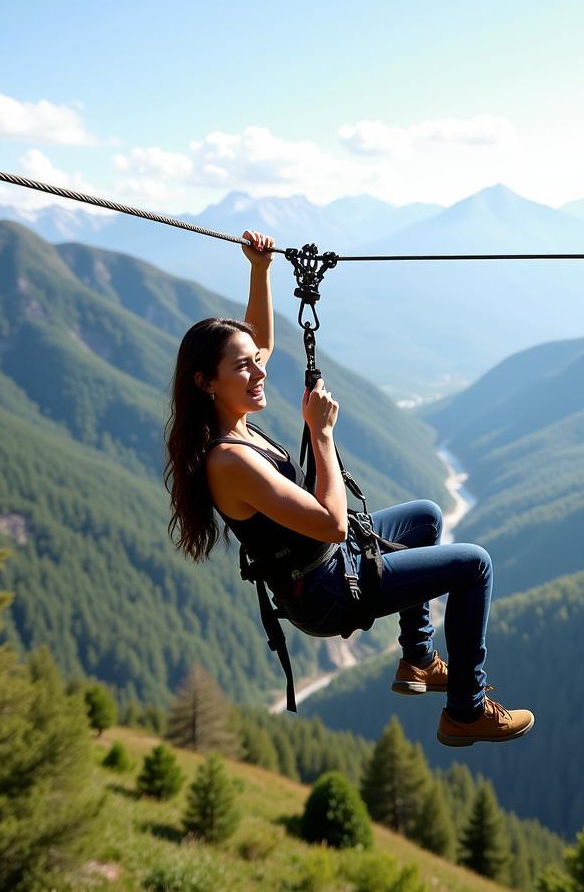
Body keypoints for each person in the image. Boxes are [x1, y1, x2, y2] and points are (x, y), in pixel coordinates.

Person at [164, 230, 534, 747]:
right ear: (207, 382)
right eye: (243, 366)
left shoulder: (235, 420)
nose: (259, 370)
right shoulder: (228, 461)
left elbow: (262, 343)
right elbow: (334, 525)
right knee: (475, 566)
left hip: (325, 565)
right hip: (326, 590)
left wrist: (260, 270)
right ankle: (466, 711)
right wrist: (322, 436)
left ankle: (420, 658)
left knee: (426, 517)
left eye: (256, 361)